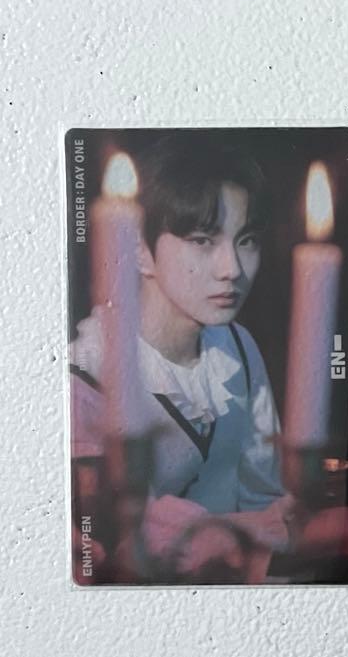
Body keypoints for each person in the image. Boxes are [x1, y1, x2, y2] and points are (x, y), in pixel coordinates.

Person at [70, 133, 296, 583]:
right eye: (202, 240)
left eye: (247, 240)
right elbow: (124, 544)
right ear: (139, 250)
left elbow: (265, 496)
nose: (232, 269)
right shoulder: (86, 377)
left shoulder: (237, 346)